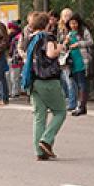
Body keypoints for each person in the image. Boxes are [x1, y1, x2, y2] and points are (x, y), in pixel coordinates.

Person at [23, 13, 67, 161]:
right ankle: (46, 140)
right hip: (48, 80)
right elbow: (50, 53)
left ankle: (40, 151)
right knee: (60, 111)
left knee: (39, 116)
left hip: (33, 81)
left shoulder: (29, 39)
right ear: (46, 23)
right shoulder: (47, 37)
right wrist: (59, 48)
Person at [65, 14, 93, 116]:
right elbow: (65, 47)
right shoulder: (69, 34)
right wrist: (66, 43)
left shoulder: (83, 31)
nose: (73, 25)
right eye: (71, 23)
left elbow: (90, 42)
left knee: (82, 83)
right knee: (76, 83)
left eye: (75, 23)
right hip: (72, 61)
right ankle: (81, 106)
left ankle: (81, 106)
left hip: (82, 60)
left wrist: (78, 44)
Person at [56, 8, 78, 112]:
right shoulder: (60, 29)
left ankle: (72, 102)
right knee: (63, 79)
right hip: (61, 57)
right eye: (65, 16)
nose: (66, 18)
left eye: (68, 15)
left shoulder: (73, 29)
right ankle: (67, 99)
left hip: (69, 57)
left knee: (70, 80)